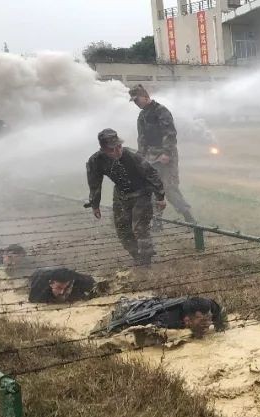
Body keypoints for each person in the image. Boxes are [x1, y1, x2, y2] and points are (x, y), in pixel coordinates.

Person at [85, 128, 166, 266]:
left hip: (142, 192)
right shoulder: (96, 161)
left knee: (140, 228)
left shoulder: (133, 156)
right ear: (103, 149)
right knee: (122, 229)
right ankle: (136, 256)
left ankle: (147, 261)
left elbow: (152, 174)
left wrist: (160, 197)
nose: (117, 151)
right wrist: (95, 204)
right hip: (121, 194)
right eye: (112, 150)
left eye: (119, 147)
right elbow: (94, 183)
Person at [129, 84, 196, 225]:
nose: (136, 103)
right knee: (152, 188)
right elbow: (142, 138)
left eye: (137, 100)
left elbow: (169, 133)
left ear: (146, 97)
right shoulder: (142, 115)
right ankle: (157, 221)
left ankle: (189, 217)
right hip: (150, 156)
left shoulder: (161, 111)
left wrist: (166, 153)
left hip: (166, 155)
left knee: (169, 188)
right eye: (134, 101)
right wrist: (141, 156)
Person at [98, 295, 227, 338]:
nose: (208, 323)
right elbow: (146, 332)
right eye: (203, 320)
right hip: (131, 309)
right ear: (188, 321)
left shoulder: (209, 307)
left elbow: (219, 312)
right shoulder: (168, 321)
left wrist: (221, 328)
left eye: (208, 318)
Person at [27, 267, 101, 303]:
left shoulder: (81, 280)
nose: (62, 292)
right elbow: (32, 300)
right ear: (51, 284)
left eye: (66, 288)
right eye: (59, 288)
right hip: (38, 273)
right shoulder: (40, 283)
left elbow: (96, 288)